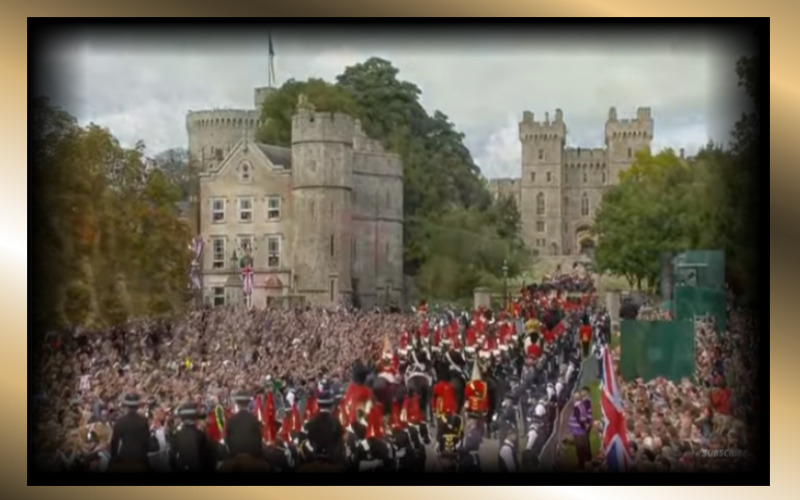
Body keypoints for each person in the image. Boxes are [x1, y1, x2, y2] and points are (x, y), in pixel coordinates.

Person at [298, 385, 346, 469]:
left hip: (313, 462)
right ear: (332, 405)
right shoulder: (337, 423)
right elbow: (340, 447)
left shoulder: (310, 424)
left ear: (318, 405)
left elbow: (303, 445)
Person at [108, 393, 154, 472]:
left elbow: (115, 442)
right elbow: (146, 441)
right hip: (140, 458)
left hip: (124, 457)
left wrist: (113, 458)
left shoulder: (120, 421)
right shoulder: (143, 421)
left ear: (126, 406)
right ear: (137, 406)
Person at [170, 402, 216, 472]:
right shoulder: (200, 435)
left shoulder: (176, 435)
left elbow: (172, 459)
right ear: (195, 418)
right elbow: (209, 458)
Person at [222, 390, 264, 464]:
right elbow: (259, 440)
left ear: (237, 404)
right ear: (248, 403)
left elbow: (227, 440)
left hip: (235, 459)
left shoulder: (231, 420)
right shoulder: (254, 419)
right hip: (253, 459)